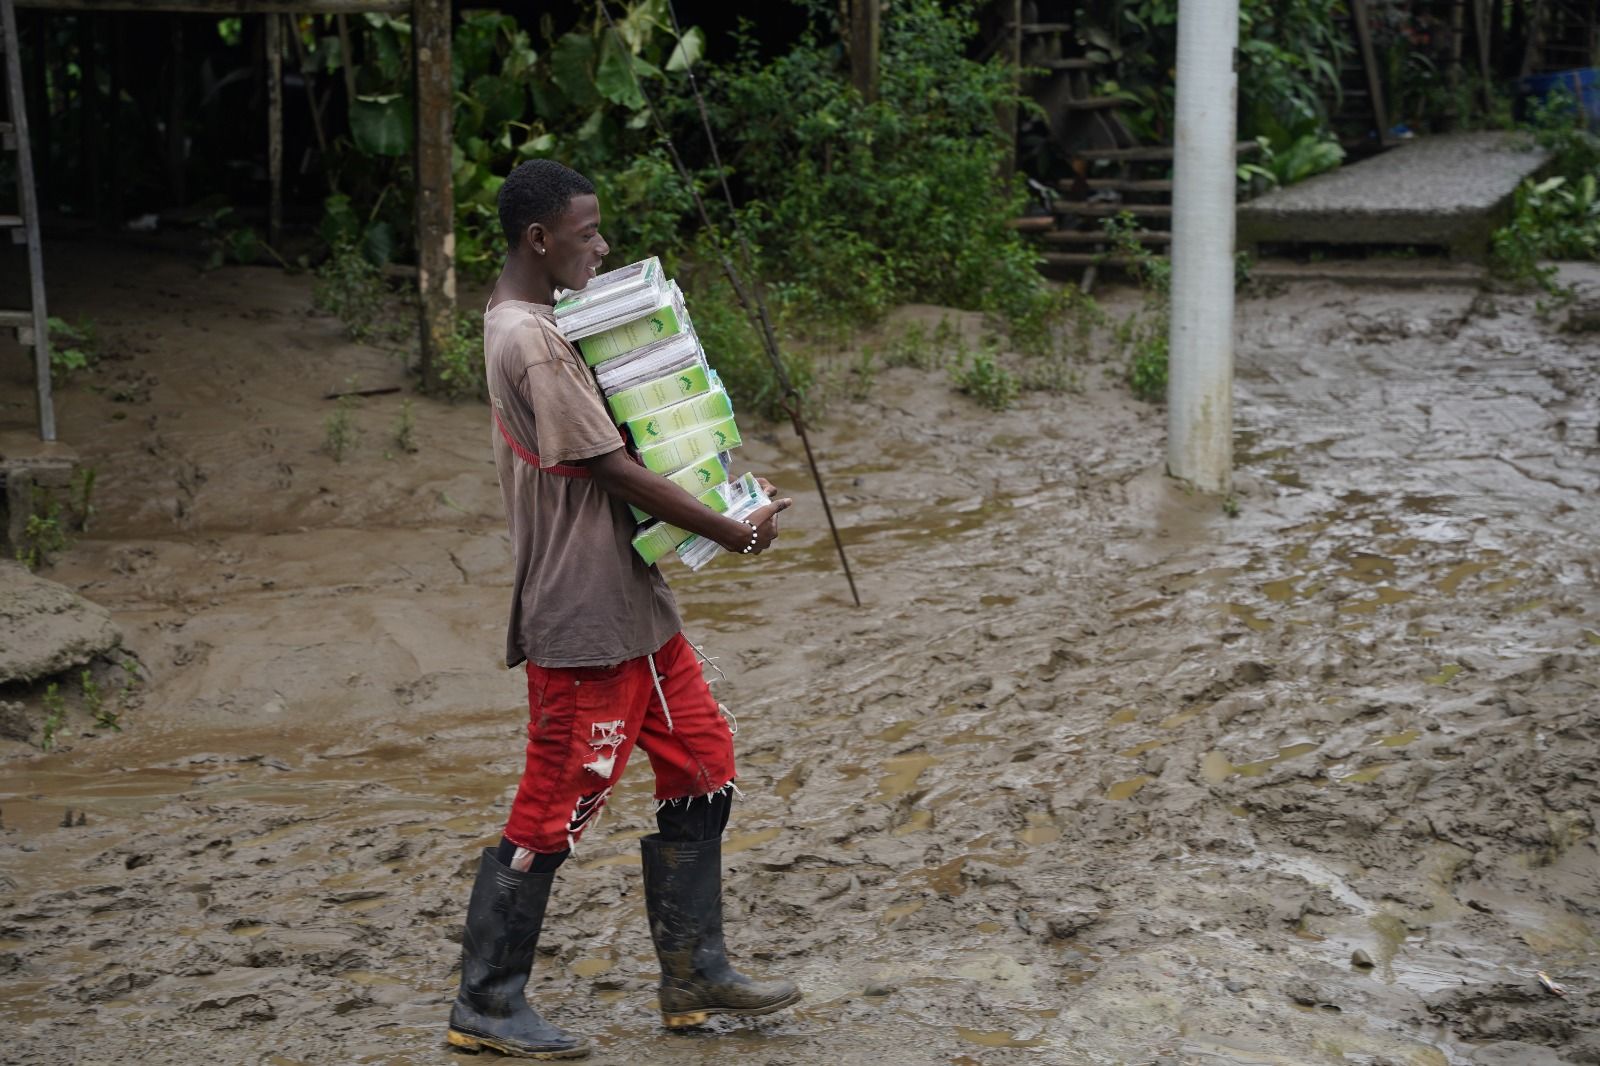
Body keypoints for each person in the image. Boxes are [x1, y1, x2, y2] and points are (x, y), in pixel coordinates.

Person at [445, 159, 800, 1060]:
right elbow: (611, 467)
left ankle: (694, 971)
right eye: (587, 233)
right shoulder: (527, 339)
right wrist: (728, 528)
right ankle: (485, 1002)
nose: (601, 249)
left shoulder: (543, 321)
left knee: (703, 762)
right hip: (583, 613)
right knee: (558, 800)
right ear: (539, 238)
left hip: (635, 601)